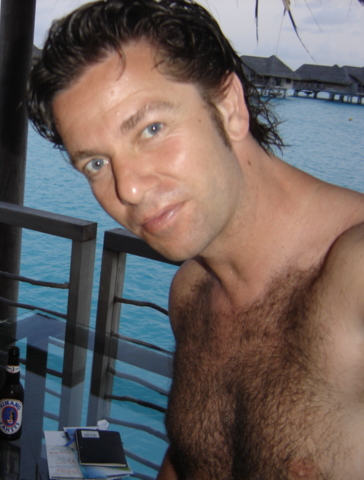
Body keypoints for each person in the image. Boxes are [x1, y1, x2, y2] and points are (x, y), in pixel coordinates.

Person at [27, 0, 364, 478]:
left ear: (229, 107)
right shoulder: (190, 293)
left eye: (152, 129)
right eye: (96, 163)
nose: (129, 189)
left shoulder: (354, 275)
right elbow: (195, 459)